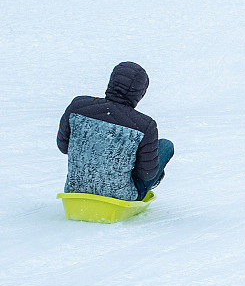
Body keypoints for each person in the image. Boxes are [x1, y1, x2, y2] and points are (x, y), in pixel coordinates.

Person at [57, 62, 173, 201]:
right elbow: (146, 174)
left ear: (112, 82)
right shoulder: (145, 126)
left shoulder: (77, 106)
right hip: (120, 198)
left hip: (74, 191)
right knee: (166, 146)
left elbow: (63, 147)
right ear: (140, 92)